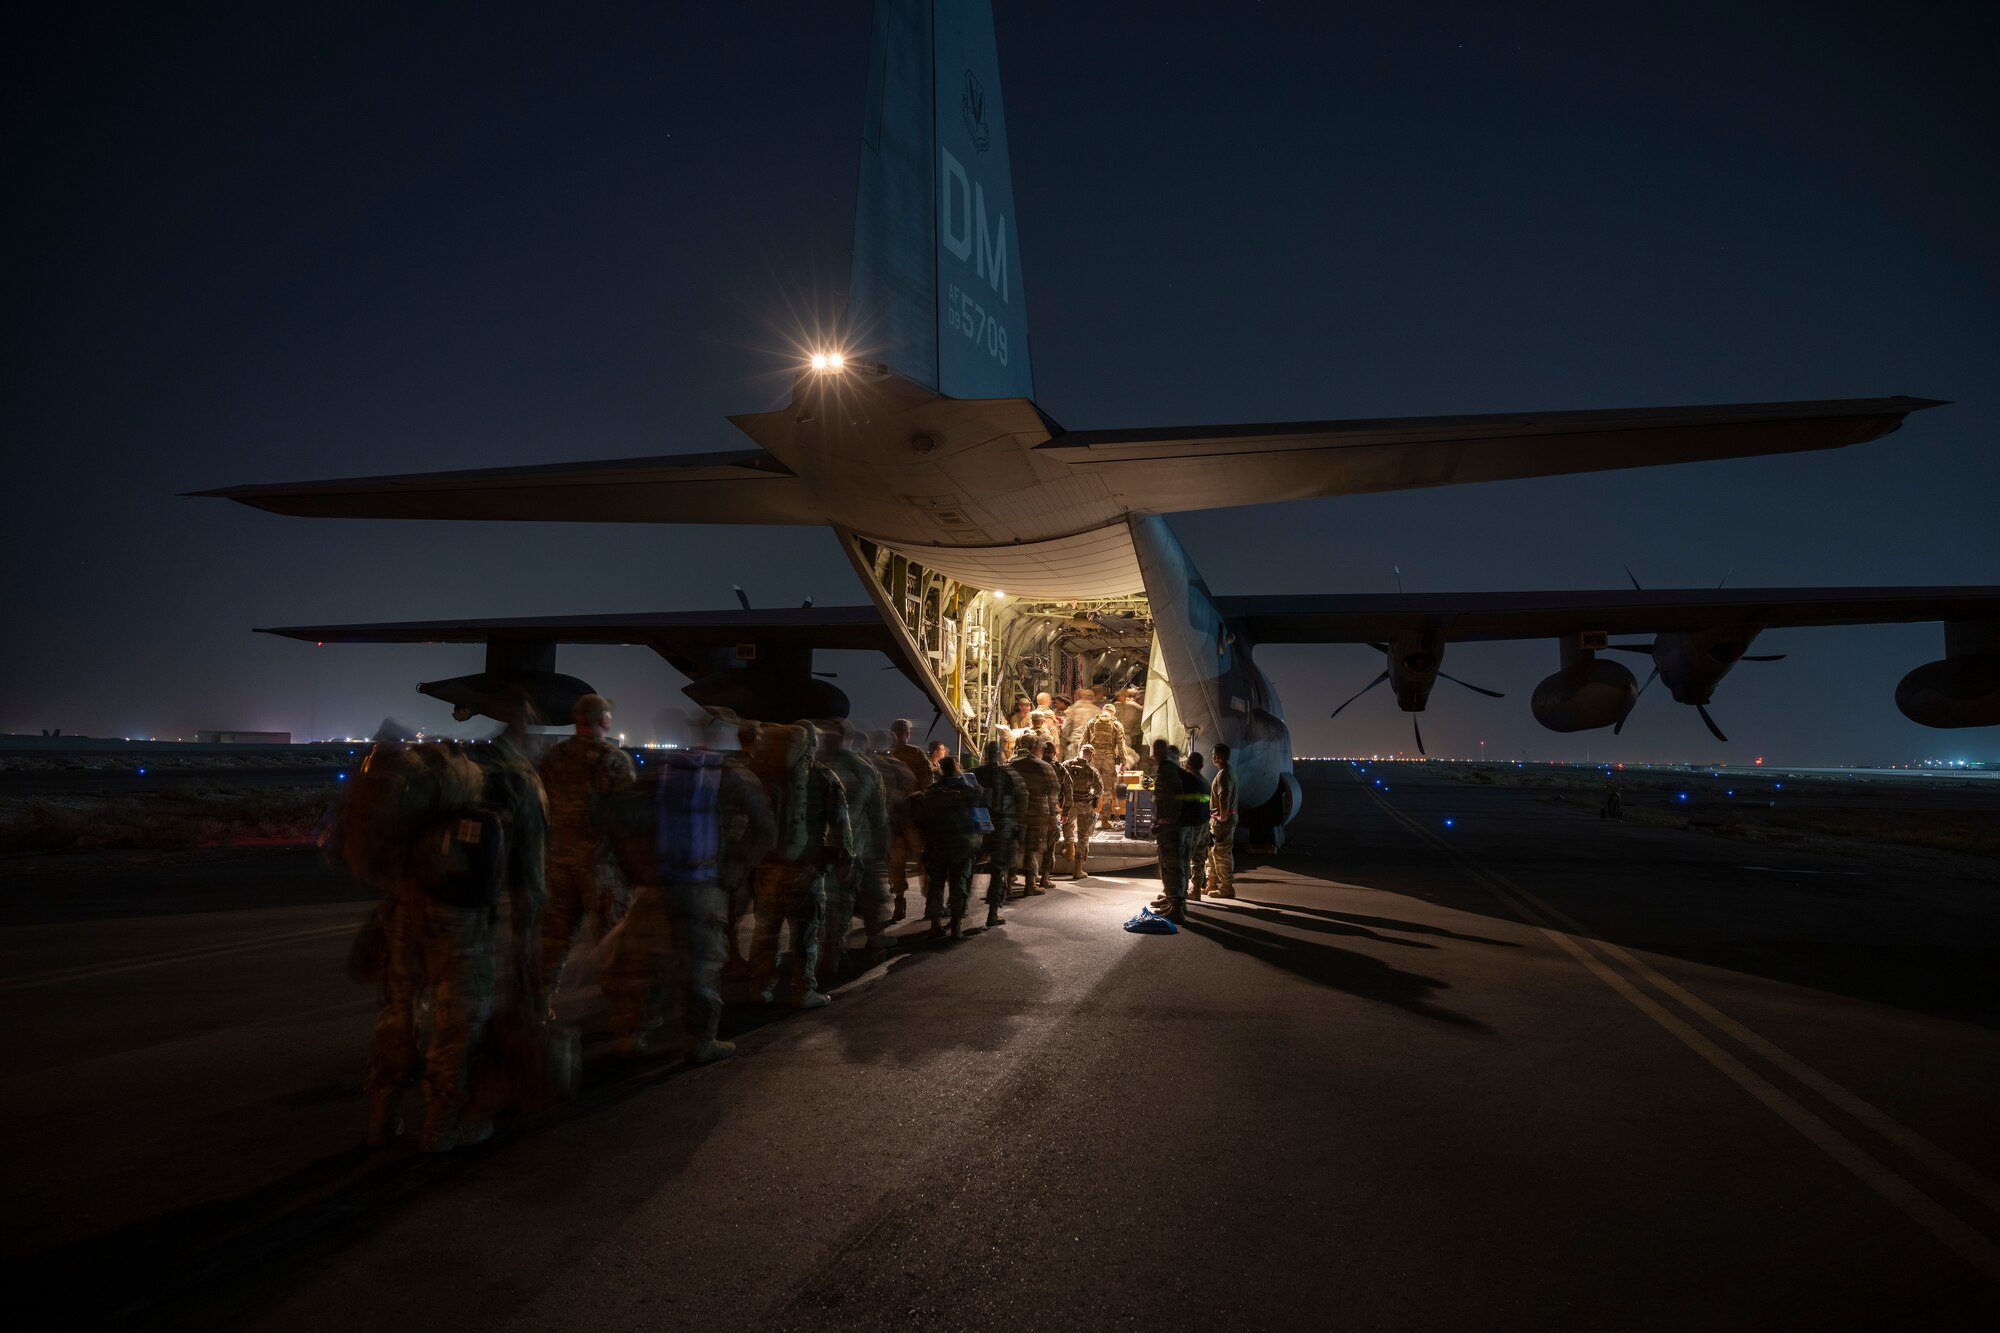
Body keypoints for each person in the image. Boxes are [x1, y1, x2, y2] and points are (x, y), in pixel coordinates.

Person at [346, 742, 501, 1152]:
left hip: (403, 916)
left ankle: (383, 1117)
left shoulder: (411, 823)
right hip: (456, 930)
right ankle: (441, 1126)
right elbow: (485, 887)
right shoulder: (478, 822)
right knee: (457, 1024)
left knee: (398, 1013)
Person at [536, 694, 635, 1016]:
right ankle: (625, 1017)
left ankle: (537, 1008)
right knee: (613, 940)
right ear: (604, 720)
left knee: (554, 937)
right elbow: (627, 818)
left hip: (559, 861)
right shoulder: (613, 759)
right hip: (600, 866)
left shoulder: (553, 757)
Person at [748, 722, 850, 1009]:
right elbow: (841, 823)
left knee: (765, 930)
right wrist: (844, 858)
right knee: (805, 932)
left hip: (767, 868)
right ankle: (802, 990)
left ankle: (760, 986)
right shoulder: (822, 776)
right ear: (809, 744)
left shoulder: (762, 776)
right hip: (805, 868)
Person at [817, 720, 891, 987]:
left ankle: (832, 956)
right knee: (865, 901)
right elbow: (878, 813)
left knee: (833, 905)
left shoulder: (814, 765)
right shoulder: (864, 769)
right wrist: (883, 846)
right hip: (858, 848)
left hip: (826, 850)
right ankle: (870, 946)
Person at [719, 719, 774, 974]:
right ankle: (740, 960)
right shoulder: (757, 769)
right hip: (749, 847)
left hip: (728, 845)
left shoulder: (726, 765)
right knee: (752, 907)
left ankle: (730, 956)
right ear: (757, 740)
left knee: (731, 908)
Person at [911, 755, 982, 938]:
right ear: (957, 768)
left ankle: (935, 925)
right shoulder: (968, 790)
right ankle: (956, 926)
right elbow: (981, 807)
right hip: (962, 846)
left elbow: (921, 820)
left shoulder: (931, 792)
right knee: (959, 885)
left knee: (936, 885)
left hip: (937, 846)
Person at [972, 740, 1024, 927]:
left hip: (978, 826)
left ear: (986, 754)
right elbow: (1021, 802)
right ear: (1000, 754)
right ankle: (992, 913)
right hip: (1002, 828)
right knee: (998, 870)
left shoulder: (974, 774)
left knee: (967, 869)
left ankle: (957, 912)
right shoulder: (1010, 775)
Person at [1006, 738, 1061, 897]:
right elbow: (1052, 794)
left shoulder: (1013, 765)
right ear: (1037, 749)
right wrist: (1052, 817)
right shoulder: (1044, 767)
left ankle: (1008, 883)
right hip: (1037, 815)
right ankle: (1030, 885)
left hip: (1017, 813)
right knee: (1031, 851)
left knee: (1013, 848)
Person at [1150, 739, 1190, 923]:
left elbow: (1170, 798)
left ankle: (1177, 909)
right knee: (1173, 865)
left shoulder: (1167, 770)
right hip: (1173, 826)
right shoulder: (1172, 769)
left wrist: (1166, 820)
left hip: (1170, 827)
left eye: (1156, 751)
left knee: (1172, 865)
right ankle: (1175, 902)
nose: (1154, 754)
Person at [1060, 743, 1103, 878]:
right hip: (1085, 805)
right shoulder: (1092, 770)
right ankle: (1078, 870)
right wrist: (1092, 796)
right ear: (1091, 755)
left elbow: (1059, 783)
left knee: (1067, 826)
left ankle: (1069, 851)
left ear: (1079, 752)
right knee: (1083, 836)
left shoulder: (1066, 765)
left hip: (1069, 804)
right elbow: (1099, 790)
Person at [1208, 742, 1238, 898]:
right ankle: (1211, 884)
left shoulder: (1223, 775)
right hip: (1222, 819)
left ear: (1217, 757)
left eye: (1213, 754)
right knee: (1213, 852)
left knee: (1222, 853)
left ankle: (1227, 888)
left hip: (1222, 821)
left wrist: (1222, 817)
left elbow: (1224, 796)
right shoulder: (1229, 771)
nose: (1212, 757)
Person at [1086, 705, 1127, 818]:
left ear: (1102, 711)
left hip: (1093, 759)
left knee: (1090, 787)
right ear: (1113, 713)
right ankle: (1105, 819)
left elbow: (1084, 743)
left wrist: (1083, 760)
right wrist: (1123, 763)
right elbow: (1121, 747)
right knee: (1107, 789)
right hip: (1109, 760)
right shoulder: (1116, 725)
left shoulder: (1092, 722)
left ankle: (1089, 815)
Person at [1043, 739, 1073, 887]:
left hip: (1032, 812)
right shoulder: (1060, 770)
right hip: (1051, 814)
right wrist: (1065, 812)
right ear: (1055, 753)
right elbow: (1069, 793)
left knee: (1031, 846)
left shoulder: (1035, 766)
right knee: (1049, 847)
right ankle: (1044, 878)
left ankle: (1030, 877)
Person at [1061, 688, 1099, 760]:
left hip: (1075, 742)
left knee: (1071, 767)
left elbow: (1065, 727)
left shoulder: (1073, 709)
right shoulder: (1097, 711)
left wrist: (1065, 741)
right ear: (1093, 698)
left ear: (1083, 697)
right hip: (1090, 746)